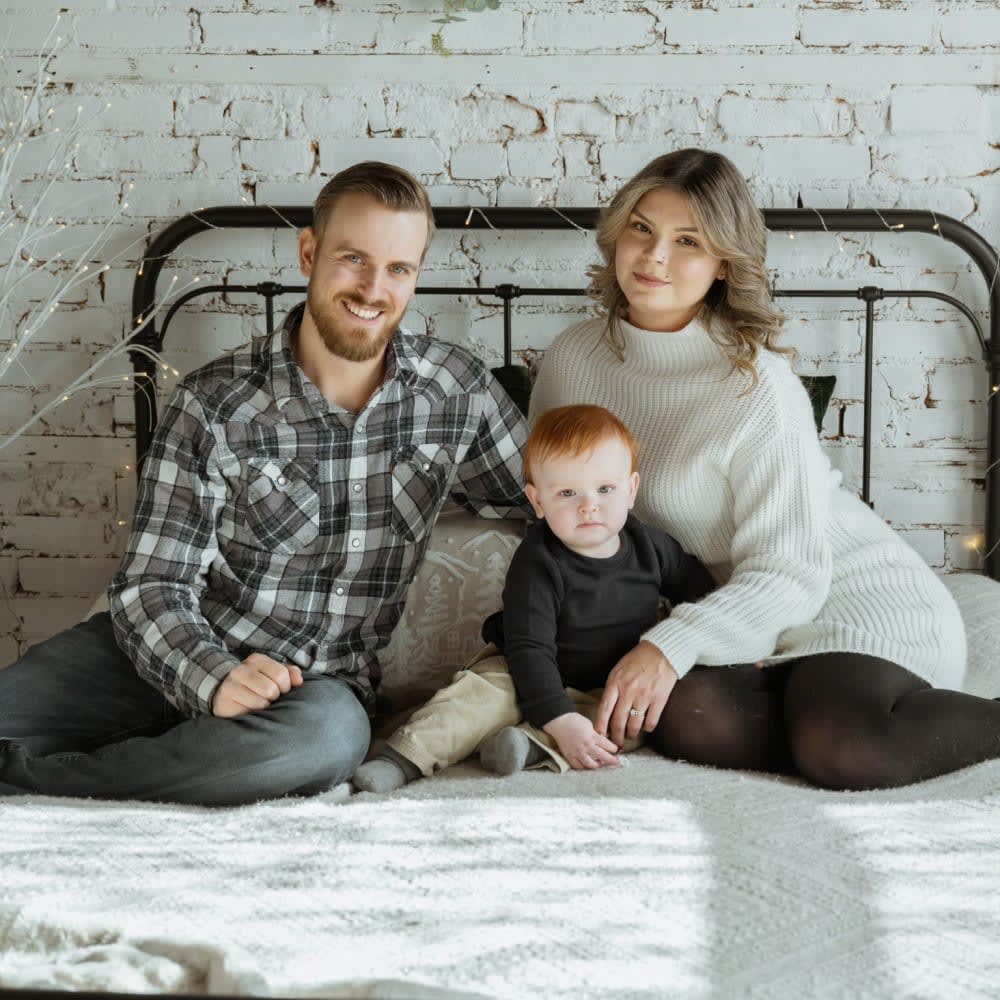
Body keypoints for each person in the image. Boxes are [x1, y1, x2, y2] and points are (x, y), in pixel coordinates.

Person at [0, 161, 530, 805]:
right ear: (309, 252)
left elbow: (554, 503)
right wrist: (214, 676)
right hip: (156, 655)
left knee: (327, 742)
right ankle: (170, 756)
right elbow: (152, 584)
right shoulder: (215, 402)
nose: (373, 288)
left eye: (398, 269)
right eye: (352, 258)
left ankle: (38, 780)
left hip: (309, 694)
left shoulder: (456, 393)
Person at [528, 147, 1000, 790]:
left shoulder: (757, 386)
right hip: (741, 622)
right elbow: (558, 505)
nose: (654, 256)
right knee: (685, 718)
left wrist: (669, 643)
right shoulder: (572, 359)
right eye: (642, 228)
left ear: (724, 263)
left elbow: (794, 571)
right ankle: (812, 715)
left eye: (688, 240)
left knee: (843, 748)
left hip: (850, 602)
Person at [352, 403, 715, 793]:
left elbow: (699, 590)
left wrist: (720, 638)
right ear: (539, 501)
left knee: (629, 719)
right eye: (567, 493)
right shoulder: (539, 561)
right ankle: (403, 758)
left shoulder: (652, 546)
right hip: (521, 667)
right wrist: (556, 714)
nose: (588, 505)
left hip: (607, 681)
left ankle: (527, 747)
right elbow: (530, 648)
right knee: (476, 701)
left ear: (631, 490)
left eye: (605, 489)